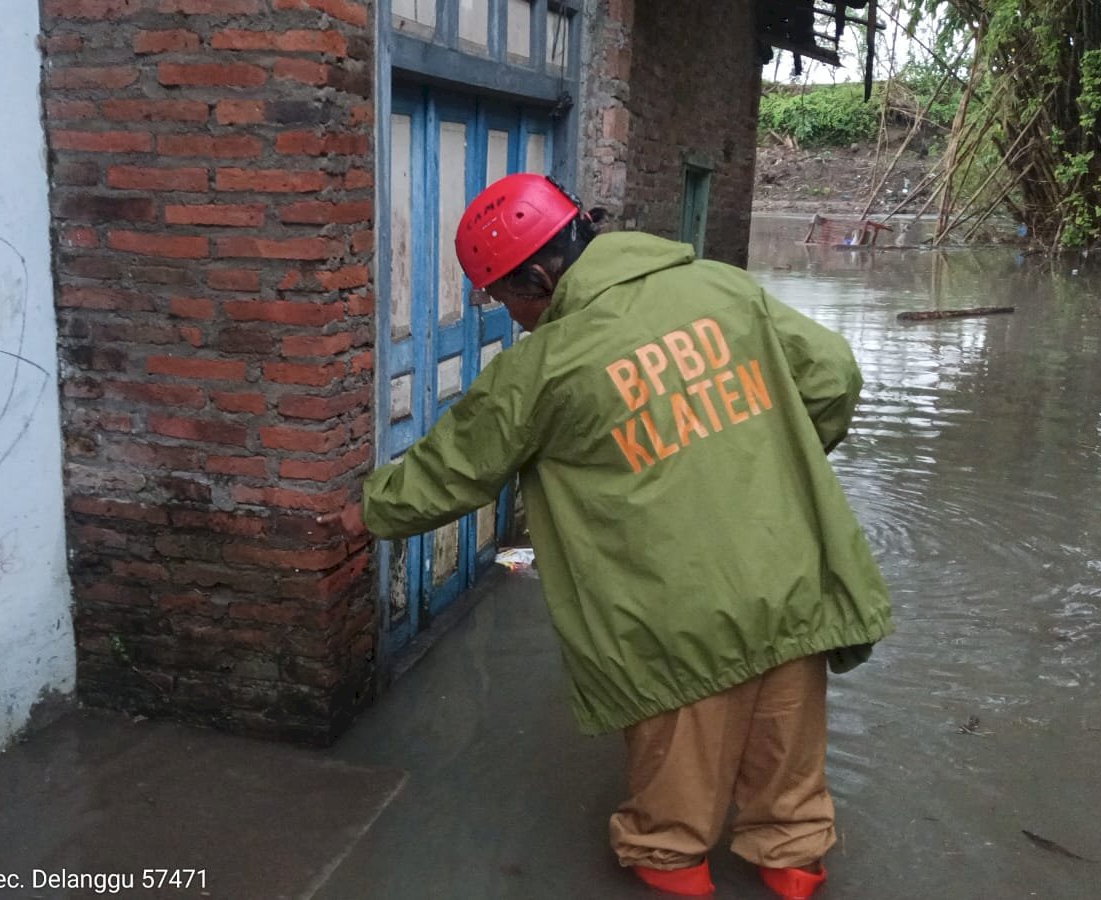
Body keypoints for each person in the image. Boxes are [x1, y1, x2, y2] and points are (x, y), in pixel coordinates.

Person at [323, 173, 893, 899]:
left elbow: (451, 473)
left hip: (674, 614)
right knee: (789, 796)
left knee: (669, 835)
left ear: (540, 275)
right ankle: (791, 866)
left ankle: (677, 869)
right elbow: (834, 373)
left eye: (508, 301)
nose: (514, 319)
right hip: (791, 577)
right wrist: (761, 457)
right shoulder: (724, 289)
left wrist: (363, 512)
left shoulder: (543, 367)